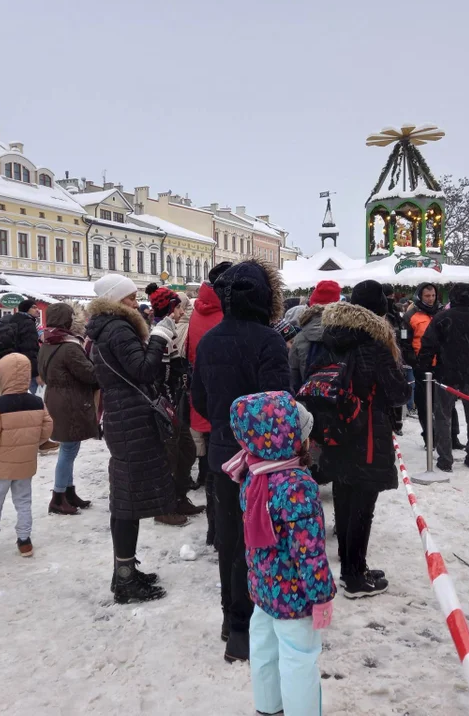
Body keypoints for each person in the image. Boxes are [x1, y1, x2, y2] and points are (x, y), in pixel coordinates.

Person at [192, 259, 290, 662]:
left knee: (230, 540)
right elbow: (279, 402)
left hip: (221, 454)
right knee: (261, 541)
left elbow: (197, 398)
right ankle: (255, 621)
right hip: (260, 461)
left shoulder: (211, 340)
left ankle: (232, 624)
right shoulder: (268, 340)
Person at [224, 391, 335, 716]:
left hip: (264, 589)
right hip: (295, 597)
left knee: (264, 650)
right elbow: (310, 551)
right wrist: (322, 595)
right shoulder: (296, 486)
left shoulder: (253, 475)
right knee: (299, 660)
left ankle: (268, 708)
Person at [315, 281, 409, 598]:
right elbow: (398, 392)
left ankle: (351, 563)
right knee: (362, 504)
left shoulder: (332, 335)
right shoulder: (374, 342)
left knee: (344, 495)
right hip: (366, 431)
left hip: (337, 427)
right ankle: (354, 577)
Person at [86, 273, 175, 603]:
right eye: (130, 297)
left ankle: (125, 570)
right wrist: (160, 338)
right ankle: (125, 580)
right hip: (130, 417)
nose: (136, 302)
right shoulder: (119, 327)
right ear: (115, 300)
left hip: (124, 415)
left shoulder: (107, 326)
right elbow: (142, 370)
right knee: (126, 499)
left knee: (129, 496)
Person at [0, 353, 54, 559]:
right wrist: (33, 443)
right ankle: (25, 541)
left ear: (3, 375)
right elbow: (47, 427)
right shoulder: (37, 402)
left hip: (0, 464)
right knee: (23, 501)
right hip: (25, 462)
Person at [419, 283, 469, 472]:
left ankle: (445, 459)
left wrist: (424, 369)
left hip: (445, 373)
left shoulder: (442, 318)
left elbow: (427, 345)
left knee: (443, 417)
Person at [145, 283, 204, 522]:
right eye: (178, 308)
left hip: (176, 402)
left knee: (187, 451)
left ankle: (179, 498)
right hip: (164, 405)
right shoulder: (157, 334)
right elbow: (156, 373)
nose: (181, 313)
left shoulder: (169, 333)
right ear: (170, 309)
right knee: (169, 457)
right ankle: (164, 508)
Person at [185, 261, 231, 547]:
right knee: (225, 470)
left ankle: (214, 529)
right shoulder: (222, 314)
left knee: (214, 466)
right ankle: (221, 530)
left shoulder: (199, 310)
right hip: (225, 400)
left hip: (206, 396)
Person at [38, 302, 98, 516]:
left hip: (55, 398)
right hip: (70, 401)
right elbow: (90, 374)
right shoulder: (70, 346)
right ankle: (58, 496)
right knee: (68, 450)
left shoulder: (46, 342)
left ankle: (69, 492)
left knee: (68, 448)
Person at [401, 283, 462, 448]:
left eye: (433, 295)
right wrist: (414, 361)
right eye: (427, 296)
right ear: (420, 296)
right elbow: (404, 342)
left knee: (448, 402)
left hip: (442, 365)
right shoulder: (410, 316)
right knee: (425, 404)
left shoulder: (442, 313)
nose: (430, 299)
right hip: (422, 366)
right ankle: (430, 438)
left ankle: (452, 437)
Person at [289, 279, 340, 392]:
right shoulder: (349, 334)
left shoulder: (300, 338)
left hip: (308, 402)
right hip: (343, 403)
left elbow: (293, 378)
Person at [0, 299, 43, 395]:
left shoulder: (13, 321)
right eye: (33, 307)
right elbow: (30, 349)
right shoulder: (28, 323)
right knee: (39, 396)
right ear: (26, 310)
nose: (37, 310)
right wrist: (36, 373)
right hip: (27, 366)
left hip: (14, 365)